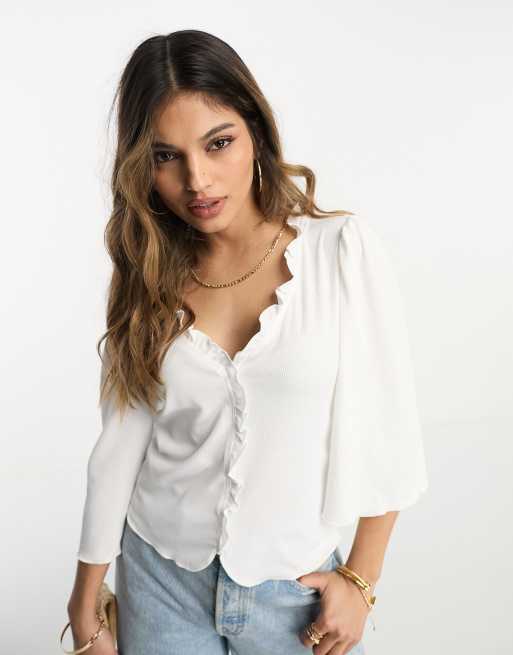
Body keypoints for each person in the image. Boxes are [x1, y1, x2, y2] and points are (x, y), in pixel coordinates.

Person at [64, 29, 429, 655]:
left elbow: (389, 427)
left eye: (218, 143)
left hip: (296, 595)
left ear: (255, 131)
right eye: (166, 156)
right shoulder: (148, 273)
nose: (197, 180)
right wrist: (86, 600)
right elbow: (121, 444)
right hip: (160, 583)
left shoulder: (339, 253)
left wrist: (361, 581)